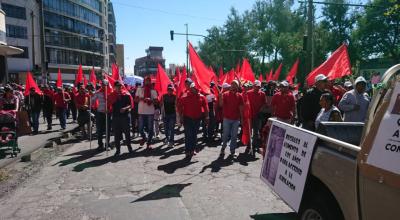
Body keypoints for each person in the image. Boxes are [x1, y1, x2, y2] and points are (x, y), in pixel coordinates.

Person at [179, 83, 208, 158]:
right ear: (190, 89)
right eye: (192, 88)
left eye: (195, 88)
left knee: (194, 135)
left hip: (197, 119)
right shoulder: (185, 96)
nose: (194, 89)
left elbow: (206, 107)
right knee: (188, 135)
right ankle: (187, 150)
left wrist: (207, 117)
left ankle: (193, 149)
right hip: (187, 118)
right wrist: (180, 116)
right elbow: (180, 106)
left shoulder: (202, 97)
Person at [219, 80, 243, 158]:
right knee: (225, 135)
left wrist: (241, 118)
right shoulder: (225, 94)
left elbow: (240, 108)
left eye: (235, 84)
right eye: (232, 84)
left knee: (234, 136)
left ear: (237, 86)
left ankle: (232, 151)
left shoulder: (240, 96)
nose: (233, 86)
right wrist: (220, 97)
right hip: (227, 118)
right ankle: (223, 148)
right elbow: (221, 104)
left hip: (236, 119)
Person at [110, 81, 133, 156]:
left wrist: (125, 108)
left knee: (127, 133)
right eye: (117, 86)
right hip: (116, 117)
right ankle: (118, 150)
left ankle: (129, 148)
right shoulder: (111, 95)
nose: (119, 87)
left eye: (120, 86)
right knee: (116, 134)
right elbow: (108, 104)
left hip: (125, 117)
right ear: (114, 87)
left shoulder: (126, 95)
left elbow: (130, 105)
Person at [135, 77, 158, 148]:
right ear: (144, 81)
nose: (147, 82)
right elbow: (135, 100)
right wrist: (142, 99)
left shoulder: (153, 91)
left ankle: (149, 143)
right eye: (146, 81)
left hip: (150, 112)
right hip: (141, 112)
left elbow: (156, 101)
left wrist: (150, 100)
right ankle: (144, 137)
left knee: (150, 129)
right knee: (140, 128)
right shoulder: (139, 89)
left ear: (150, 82)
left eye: (148, 81)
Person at [247, 80, 267, 153]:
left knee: (256, 132)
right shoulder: (248, 93)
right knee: (249, 131)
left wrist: (261, 109)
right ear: (253, 86)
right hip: (249, 115)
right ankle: (249, 145)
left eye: (258, 86)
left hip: (258, 116)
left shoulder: (262, 94)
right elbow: (245, 102)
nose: (257, 88)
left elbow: (265, 104)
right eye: (256, 86)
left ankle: (254, 145)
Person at [91, 80, 111, 151]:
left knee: (107, 130)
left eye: (105, 84)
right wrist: (91, 100)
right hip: (99, 113)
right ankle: (100, 145)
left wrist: (109, 109)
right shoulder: (98, 92)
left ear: (108, 84)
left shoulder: (110, 92)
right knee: (99, 130)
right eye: (102, 84)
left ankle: (107, 145)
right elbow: (92, 100)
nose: (103, 85)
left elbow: (113, 102)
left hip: (108, 113)